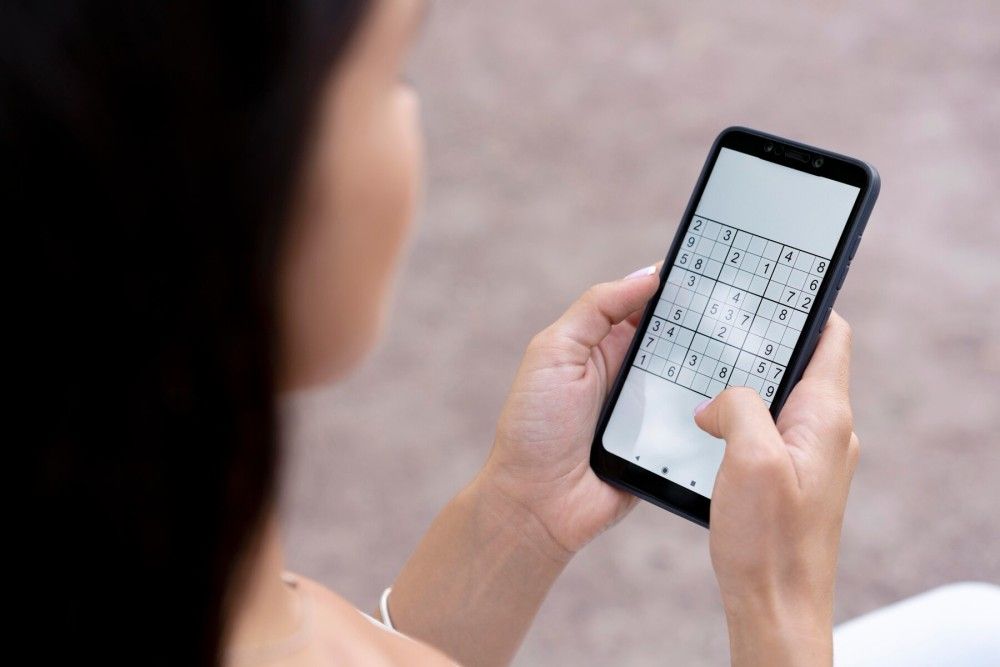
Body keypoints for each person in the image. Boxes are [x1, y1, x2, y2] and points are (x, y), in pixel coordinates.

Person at [9, 1, 997, 665]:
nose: (412, 123)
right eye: (393, 74)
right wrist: (778, 613)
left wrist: (521, 513)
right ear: (243, 170)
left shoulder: (137, 537)